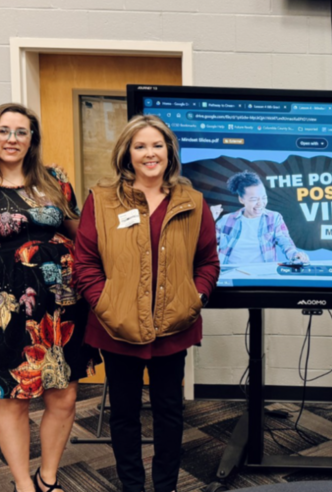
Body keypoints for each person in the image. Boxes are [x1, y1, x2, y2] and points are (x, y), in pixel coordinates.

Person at [0, 103, 98, 492]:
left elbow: (81, 236)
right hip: (2, 307)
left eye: (21, 132)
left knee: (63, 397)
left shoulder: (54, 180)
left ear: (32, 139)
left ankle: (47, 478)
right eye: (4, 130)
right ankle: (22, 485)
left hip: (62, 303)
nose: (12, 139)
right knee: (13, 397)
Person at [72, 115, 219, 492]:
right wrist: (105, 305)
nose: (150, 153)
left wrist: (196, 298)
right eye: (140, 146)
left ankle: (165, 486)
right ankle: (132, 487)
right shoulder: (102, 200)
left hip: (174, 326)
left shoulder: (193, 201)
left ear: (169, 151)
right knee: (123, 414)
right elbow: (85, 261)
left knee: (170, 412)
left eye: (157, 145)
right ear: (127, 153)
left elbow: (207, 262)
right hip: (116, 326)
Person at [213, 170, 309, 265]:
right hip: (230, 273)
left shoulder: (274, 218)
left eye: (264, 198)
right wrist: (209, 220)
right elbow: (205, 245)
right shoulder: (226, 220)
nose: (260, 204)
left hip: (264, 274)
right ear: (241, 199)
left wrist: (295, 255)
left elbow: (285, 242)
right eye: (254, 199)